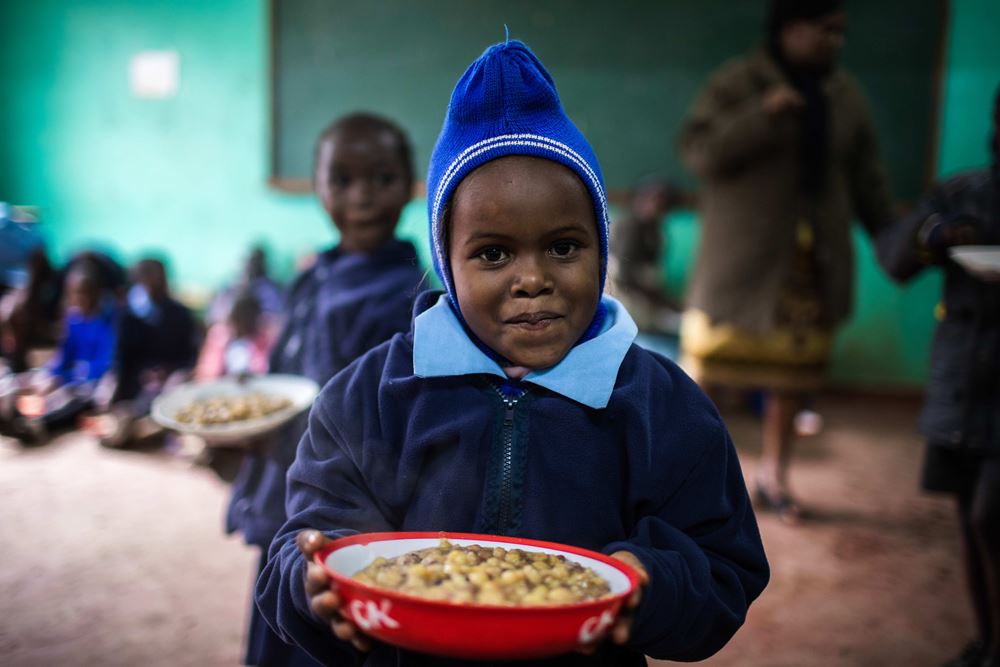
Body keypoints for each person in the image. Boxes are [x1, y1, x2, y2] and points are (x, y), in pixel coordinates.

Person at [255, 39, 768, 666]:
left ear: (602, 248)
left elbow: (724, 564)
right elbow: (302, 545)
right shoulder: (370, 397)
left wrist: (650, 583)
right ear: (447, 263)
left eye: (563, 247)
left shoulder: (663, 407)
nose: (532, 279)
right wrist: (316, 589)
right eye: (493, 253)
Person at [677, 0, 895, 523]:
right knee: (706, 373)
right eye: (825, 30)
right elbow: (700, 152)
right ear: (790, 29)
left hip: (811, 262)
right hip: (740, 266)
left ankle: (773, 478)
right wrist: (762, 115)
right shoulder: (738, 82)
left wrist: (895, 239)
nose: (835, 41)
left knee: (792, 379)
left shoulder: (845, 94)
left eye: (840, 32)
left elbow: (867, 177)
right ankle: (687, 482)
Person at [229, 112, 426, 666]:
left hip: (345, 504)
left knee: (328, 628)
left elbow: (387, 419)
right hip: (281, 488)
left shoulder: (407, 296)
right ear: (316, 186)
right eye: (341, 180)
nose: (361, 196)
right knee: (279, 611)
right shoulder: (311, 276)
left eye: (382, 178)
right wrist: (250, 404)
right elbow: (285, 372)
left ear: (409, 185)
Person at [878, 86, 1000, 667]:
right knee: (971, 517)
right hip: (965, 376)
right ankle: (986, 641)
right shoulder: (964, 193)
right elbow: (895, 256)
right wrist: (938, 236)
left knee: (990, 515)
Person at [0, 260, 117, 444]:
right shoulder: (74, 318)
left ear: (97, 292)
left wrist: (66, 377)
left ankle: (41, 425)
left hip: (91, 382)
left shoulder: (110, 321)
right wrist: (51, 374)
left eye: (85, 293)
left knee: (71, 398)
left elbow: (106, 363)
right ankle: (15, 415)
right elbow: (64, 355)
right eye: (75, 293)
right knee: (34, 382)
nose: (80, 299)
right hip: (72, 376)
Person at [99, 258, 200, 448]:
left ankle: (139, 429)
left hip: (168, 381)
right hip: (137, 383)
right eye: (148, 278)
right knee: (117, 401)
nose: (154, 284)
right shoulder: (128, 315)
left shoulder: (180, 314)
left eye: (158, 278)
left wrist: (170, 371)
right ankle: (132, 425)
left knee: (169, 395)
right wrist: (116, 381)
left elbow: (191, 356)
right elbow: (121, 357)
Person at [195, 288, 278, 381]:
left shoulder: (263, 338)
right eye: (238, 318)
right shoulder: (219, 336)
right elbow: (208, 370)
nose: (242, 323)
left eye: (246, 318)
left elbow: (264, 369)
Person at [206, 246, 285, 328]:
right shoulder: (232, 286)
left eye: (255, 262)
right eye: (250, 262)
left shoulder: (268, 290)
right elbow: (214, 315)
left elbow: (272, 318)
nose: (251, 266)